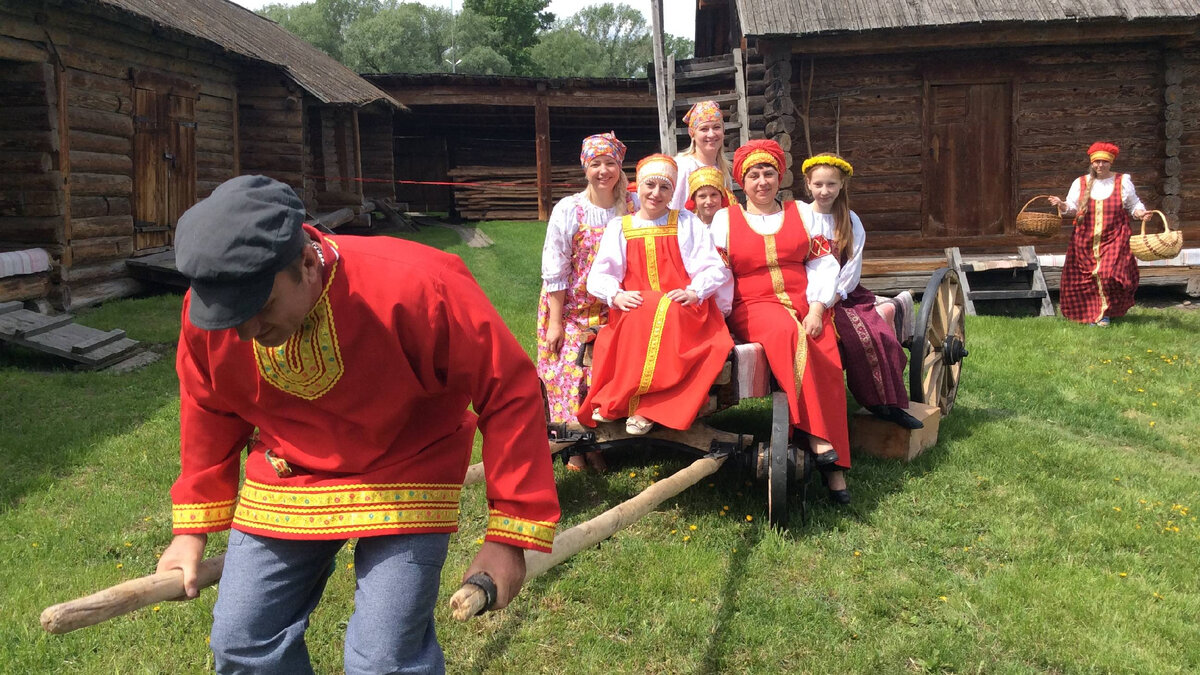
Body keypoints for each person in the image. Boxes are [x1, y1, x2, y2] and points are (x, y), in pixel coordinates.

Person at [156, 175, 560, 674]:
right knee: (243, 641)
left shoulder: (420, 285)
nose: (242, 332)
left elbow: (509, 389)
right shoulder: (217, 313)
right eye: (228, 317)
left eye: (260, 308)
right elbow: (208, 406)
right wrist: (191, 533)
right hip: (290, 476)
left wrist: (507, 537)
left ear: (307, 264)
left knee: (383, 661)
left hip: (407, 471)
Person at [709, 140, 852, 505]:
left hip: (806, 301)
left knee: (825, 349)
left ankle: (835, 468)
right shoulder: (725, 220)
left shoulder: (802, 212)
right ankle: (818, 439)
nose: (762, 182)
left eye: (769, 173)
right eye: (754, 175)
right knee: (786, 331)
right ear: (742, 181)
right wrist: (720, 319)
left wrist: (818, 309)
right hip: (752, 305)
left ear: (780, 177)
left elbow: (823, 264)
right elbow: (718, 275)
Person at [578, 154, 734, 436]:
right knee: (643, 306)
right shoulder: (620, 227)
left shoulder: (686, 222)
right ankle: (622, 401)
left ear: (673, 192)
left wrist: (695, 291)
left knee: (660, 305)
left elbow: (713, 267)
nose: (656, 193)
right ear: (638, 187)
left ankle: (646, 408)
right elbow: (599, 275)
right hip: (635, 308)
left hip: (684, 307)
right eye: (650, 185)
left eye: (665, 187)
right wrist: (616, 295)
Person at [538, 132, 637, 472]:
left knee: (599, 378)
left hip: (613, 306)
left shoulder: (632, 207)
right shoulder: (570, 209)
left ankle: (597, 443)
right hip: (569, 308)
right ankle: (571, 447)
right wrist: (555, 323)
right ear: (585, 168)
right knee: (566, 374)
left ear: (619, 167)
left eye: (610, 163)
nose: (603, 171)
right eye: (596, 164)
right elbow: (556, 267)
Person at [801, 153, 922, 429]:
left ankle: (890, 404)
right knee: (856, 338)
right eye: (818, 184)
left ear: (842, 185)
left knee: (879, 335)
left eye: (831, 184)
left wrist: (834, 296)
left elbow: (852, 268)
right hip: (808, 294)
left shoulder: (850, 220)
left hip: (845, 296)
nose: (824, 191)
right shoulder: (801, 217)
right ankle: (875, 401)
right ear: (808, 184)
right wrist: (817, 301)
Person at [1049, 142, 1150, 326]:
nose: (1100, 165)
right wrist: (1061, 204)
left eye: (1104, 161)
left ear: (1111, 162)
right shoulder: (1080, 182)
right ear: (1092, 162)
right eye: (1097, 162)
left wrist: (1141, 213)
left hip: (1115, 237)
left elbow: (1133, 204)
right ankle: (1093, 314)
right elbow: (1072, 207)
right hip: (1085, 238)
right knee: (1085, 278)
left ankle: (1105, 312)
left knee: (1107, 273)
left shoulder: (1122, 181)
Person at [670, 101, 734, 211]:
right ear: (692, 134)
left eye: (716, 127)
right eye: (704, 129)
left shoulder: (723, 169)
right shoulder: (683, 166)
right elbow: (674, 209)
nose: (711, 134)